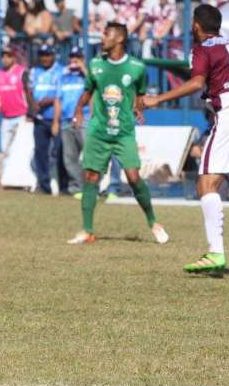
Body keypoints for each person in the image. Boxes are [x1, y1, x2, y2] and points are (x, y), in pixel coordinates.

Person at [142, 5, 229, 273]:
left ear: (196, 25)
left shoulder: (202, 48)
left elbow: (197, 83)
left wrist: (157, 98)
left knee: (206, 184)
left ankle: (216, 253)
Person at [67, 23, 168, 245]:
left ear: (120, 38)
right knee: (91, 176)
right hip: (99, 130)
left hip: (123, 132)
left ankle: (153, 222)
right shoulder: (95, 65)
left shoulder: (136, 67)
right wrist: (78, 110)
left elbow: (139, 94)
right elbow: (87, 92)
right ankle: (87, 230)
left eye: (106, 34)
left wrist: (139, 108)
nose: (102, 38)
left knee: (133, 177)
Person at [0, 46, 33, 183]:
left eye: (8, 56)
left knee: (22, 149)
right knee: (5, 149)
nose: (5, 59)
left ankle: (25, 179)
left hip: (21, 116)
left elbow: (29, 94)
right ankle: (6, 179)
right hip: (6, 117)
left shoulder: (22, 73)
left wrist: (30, 114)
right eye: (3, 56)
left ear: (14, 57)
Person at [53, 47, 88, 197]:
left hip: (85, 119)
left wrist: (83, 68)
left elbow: (96, 85)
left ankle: (92, 187)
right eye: (72, 57)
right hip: (66, 120)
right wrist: (56, 121)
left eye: (77, 57)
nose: (74, 59)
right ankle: (76, 188)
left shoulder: (86, 76)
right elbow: (58, 100)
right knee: (69, 157)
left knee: (90, 155)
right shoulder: (63, 77)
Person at [28, 44, 62, 195]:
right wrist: (31, 105)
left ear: (53, 56)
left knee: (60, 151)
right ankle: (44, 186)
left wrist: (43, 102)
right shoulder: (35, 71)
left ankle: (64, 185)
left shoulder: (61, 71)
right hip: (40, 118)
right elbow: (29, 91)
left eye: (47, 55)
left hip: (56, 118)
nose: (45, 58)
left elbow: (59, 96)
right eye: (42, 55)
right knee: (40, 152)